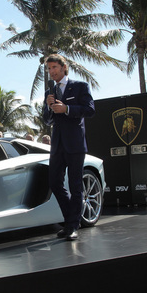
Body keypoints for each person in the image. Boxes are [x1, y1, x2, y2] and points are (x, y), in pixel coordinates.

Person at [42, 54, 95, 241]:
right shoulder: (50, 92)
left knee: (75, 186)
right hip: (57, 145)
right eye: (49, 69)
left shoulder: (80, 86)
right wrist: (49, 108)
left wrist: (67, 109)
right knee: (54, 183)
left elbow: (90, 110)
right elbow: (46, 119)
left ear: (64, 67)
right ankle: (71, 219)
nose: (51, 72)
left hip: (75, 144)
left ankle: (72, 226)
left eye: (54, 67)